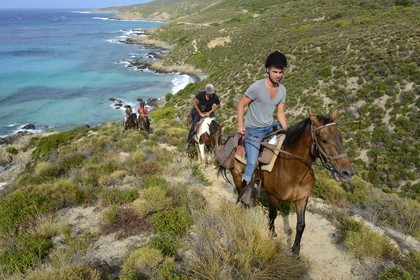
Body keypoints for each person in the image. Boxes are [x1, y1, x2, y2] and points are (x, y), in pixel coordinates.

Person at [237, 51, 288, 202]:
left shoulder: (283, 90)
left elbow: (280, 112)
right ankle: (245, 191)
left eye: (280, 72)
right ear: (267, 70)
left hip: (269, 127)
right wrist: (240, 126)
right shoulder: (256, 87)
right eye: (275, 71)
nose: (278, 75)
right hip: (254, 130)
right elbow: (240, 105)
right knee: (252, 162)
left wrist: (287, 131)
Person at [185, 83, 221, 151]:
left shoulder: (215, 97)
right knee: (193, 127)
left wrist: (209, 112)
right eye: (209, 93)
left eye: (211, 93)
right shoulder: (201, 94)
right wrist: (200, 113)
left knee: (216, 126)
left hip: (208, 112)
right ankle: (188, 142)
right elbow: (195, 102)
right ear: (206, 92)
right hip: (199, 111)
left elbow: (218, 105)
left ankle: (216, 142)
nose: (210, 94)